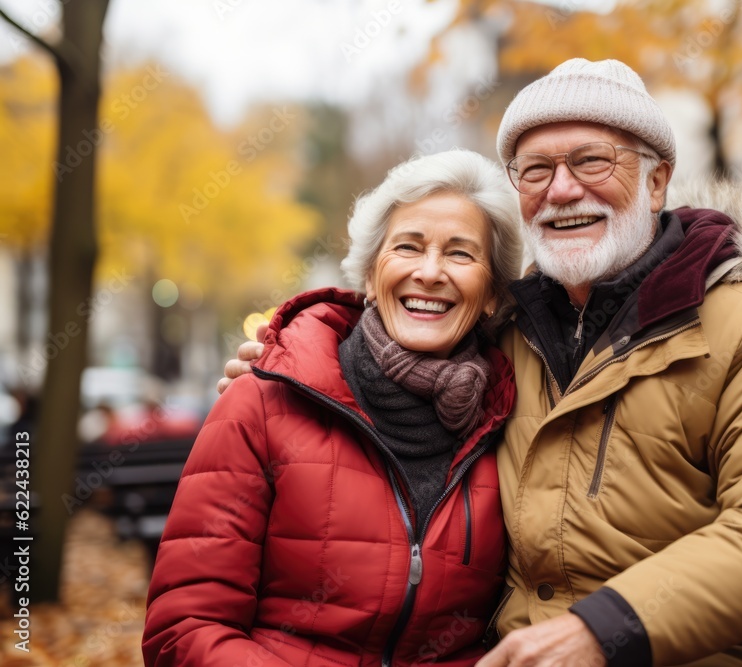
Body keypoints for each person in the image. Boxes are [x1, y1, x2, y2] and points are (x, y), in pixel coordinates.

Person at [221, 59, 742, 666]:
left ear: (657, 180)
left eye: (591, 161)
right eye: (535, 170)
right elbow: (394, 360)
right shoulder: (506, 333)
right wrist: (290, 375)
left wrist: (601, 634)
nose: (562, 189)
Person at [143, 149, 523, 666]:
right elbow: (185, 628)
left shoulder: (517, 419)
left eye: (461, 254)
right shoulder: (261, 401)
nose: (430, 273)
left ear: (492, 295)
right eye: (408, 247)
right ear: (369, 275)